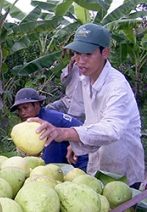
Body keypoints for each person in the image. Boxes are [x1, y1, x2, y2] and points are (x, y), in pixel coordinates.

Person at [29, 23, 145, 189]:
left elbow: (112, 129)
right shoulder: (85, 78)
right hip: (97, 163)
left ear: (105, 53)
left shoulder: (117, 86)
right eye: (77, 54)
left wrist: (64, 133)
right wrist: (77, 143)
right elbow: (92, 120)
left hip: (122, 170)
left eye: (88, 54)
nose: (80, 61)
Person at [10, 88, 88, 171]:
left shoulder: (49, 121)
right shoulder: (39, 120)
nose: (22, 113)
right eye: (19, 110)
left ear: (36, 104)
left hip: (83, 155)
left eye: (25, 108)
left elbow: (51, 159)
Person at [46, 56, 85, 123]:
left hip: (79, 108)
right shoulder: (74, 65)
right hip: (66, 101)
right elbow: (64, 80)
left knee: (72, 126)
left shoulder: (91, 69)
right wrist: (70, 64)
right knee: (48, 110)